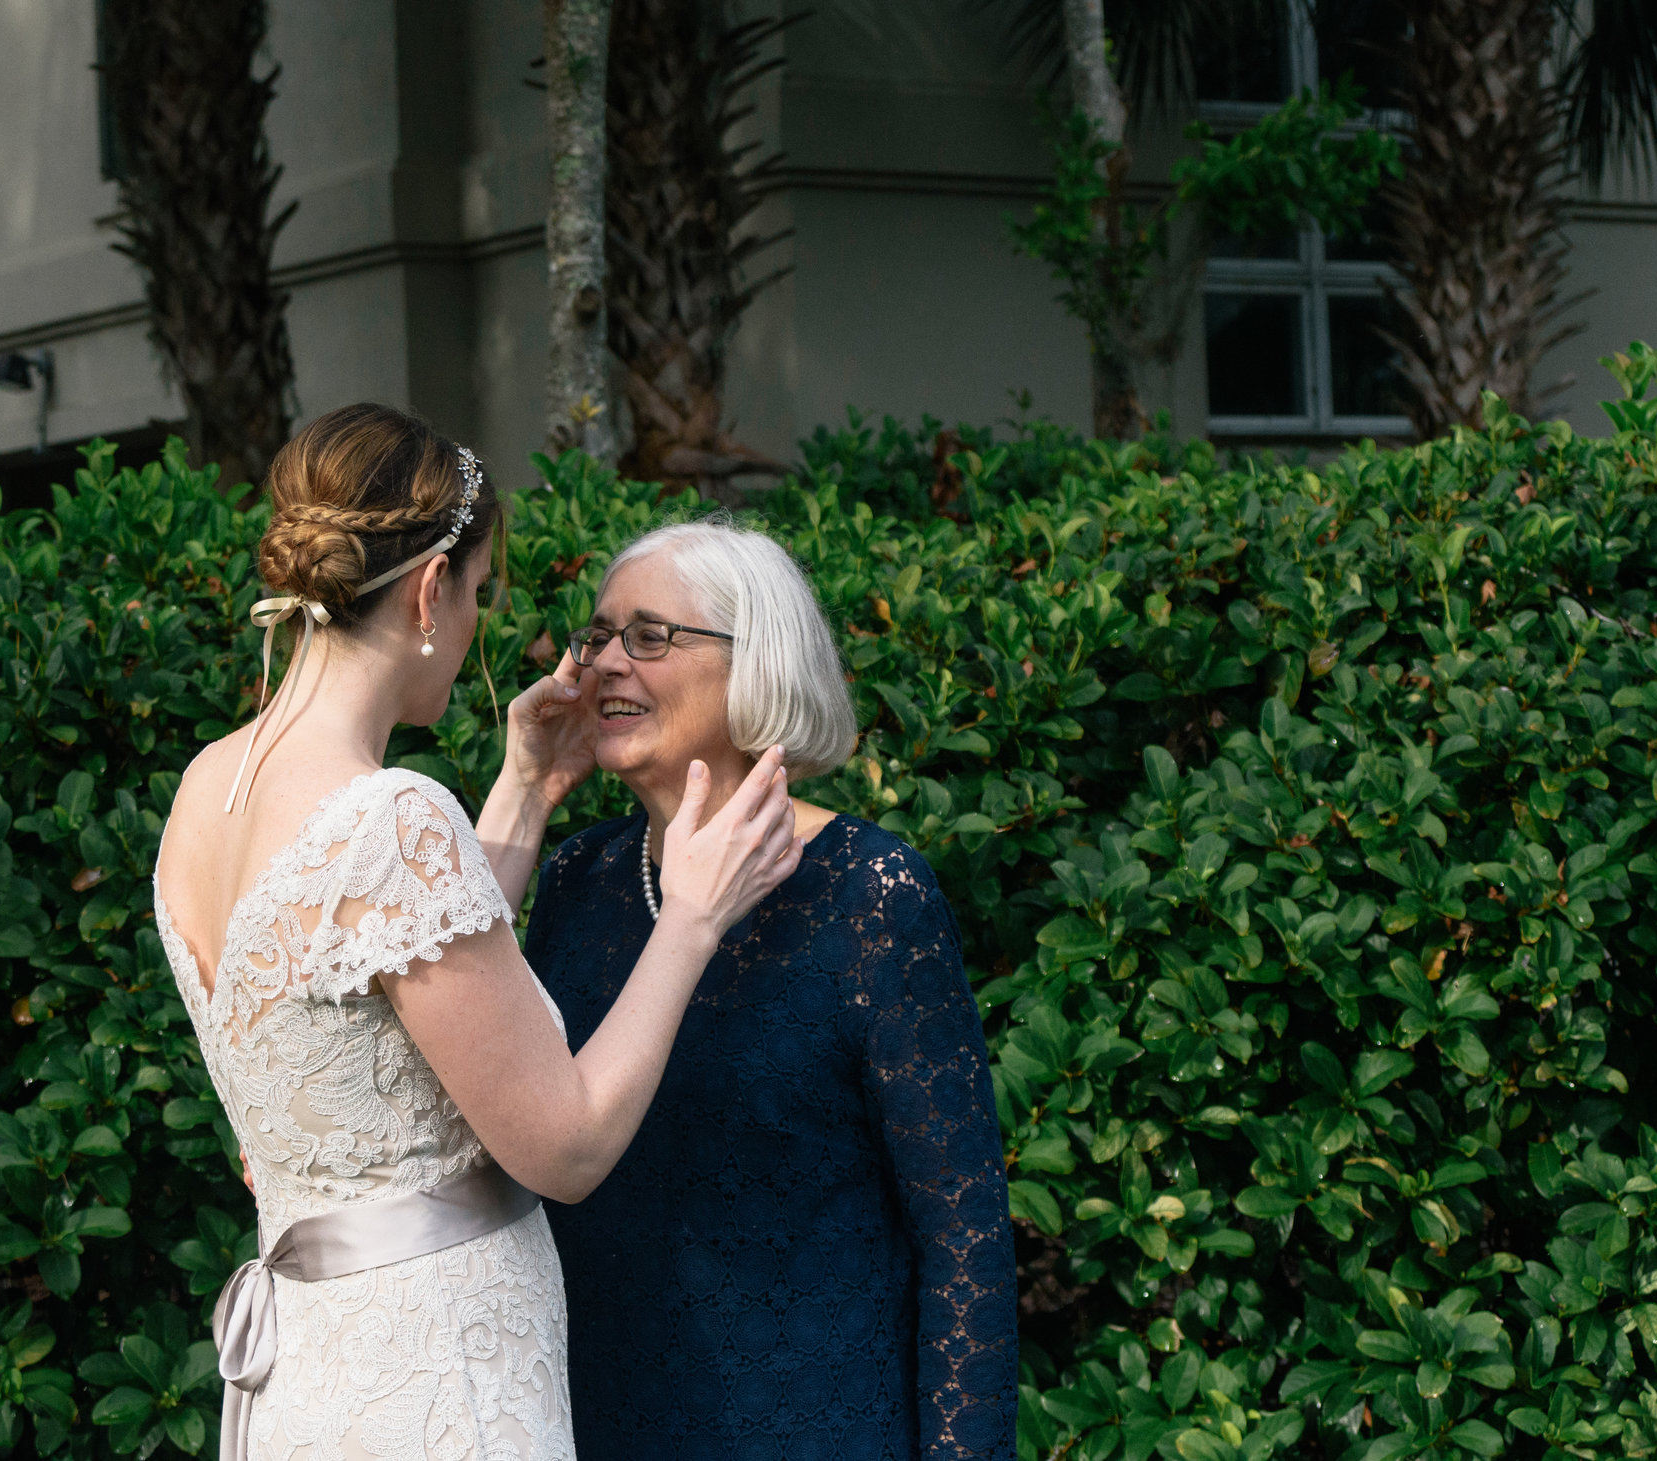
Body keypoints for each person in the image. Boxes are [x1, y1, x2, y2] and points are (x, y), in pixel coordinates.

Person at [152, 406, 800, 1461]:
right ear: (425, 589)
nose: (475, 628)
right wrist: (691, 915)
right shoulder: (388, 814)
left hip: (313, 1373)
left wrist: (525, 788)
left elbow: (392, 986)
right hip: (439, 1375)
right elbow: (568, 1144)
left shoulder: (206, 789)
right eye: (479, 593)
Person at [510, 518, 1020, 1461]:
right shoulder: (579, 881)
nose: (607, 664)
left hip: (823, 1429)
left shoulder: (873, 893)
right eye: (598, 636)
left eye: (651, 636)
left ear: (758, 663)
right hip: (599, 1425)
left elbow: (965, 1247)